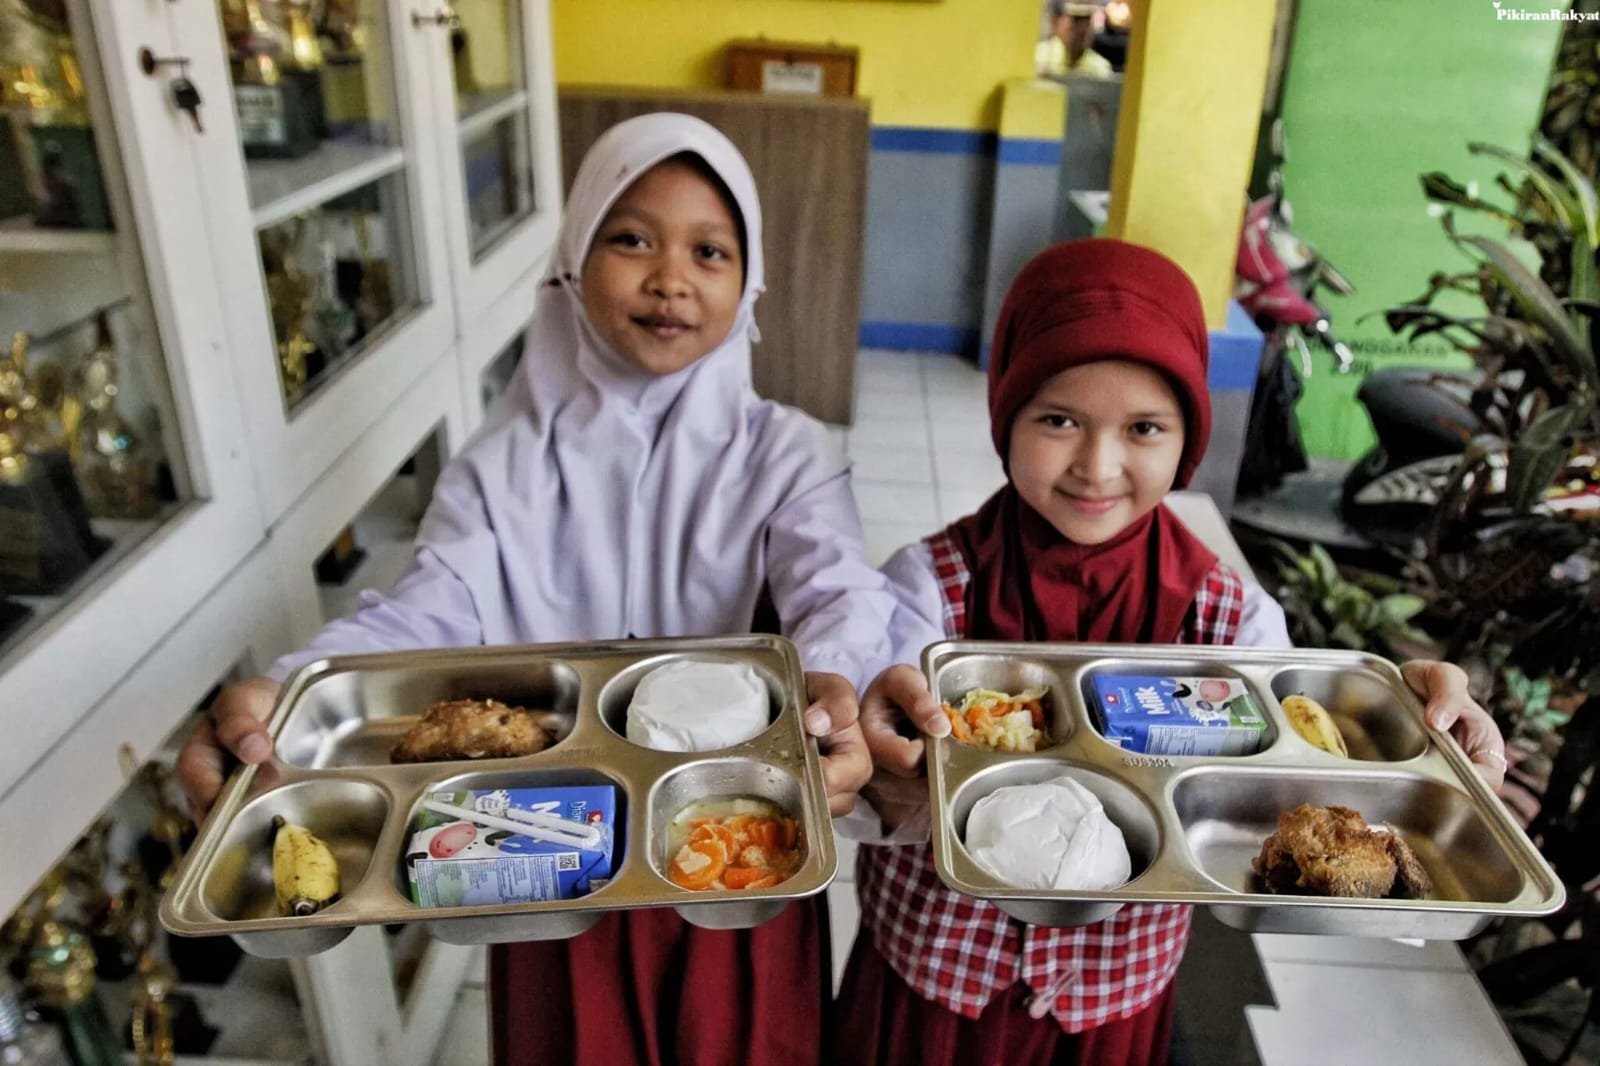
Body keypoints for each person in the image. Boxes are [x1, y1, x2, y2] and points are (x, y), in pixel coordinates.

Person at [177, 112, 895, 1066]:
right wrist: (288, 689)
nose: (670, 277)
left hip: (732, 848)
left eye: (710, 252)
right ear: (569, 263)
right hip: (537, 848)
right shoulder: (501, 467)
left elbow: (837, 590)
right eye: (630, 238)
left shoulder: (787, 455)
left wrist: (837, 681)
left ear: (750, 282)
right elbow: (429, 608)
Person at [835, 239, 1509, 1065]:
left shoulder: (1229, 616)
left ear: (1187, 440)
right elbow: (868, 787)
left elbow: (1307, 783)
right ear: (1004, 418)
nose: (1097, 465)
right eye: (1058, 420)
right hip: (937, 975)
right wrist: (879, 762)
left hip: (1111, 991)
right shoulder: (928, 586)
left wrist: (1422, 736)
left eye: (1144, 428)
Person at [1037, 0, 1115, 79]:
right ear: (1055, 22)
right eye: (1076, 19)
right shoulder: (1039, 58)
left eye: (1087, 19)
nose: (1083, 28)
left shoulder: (1100, 66)